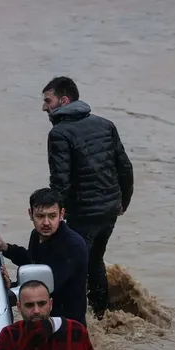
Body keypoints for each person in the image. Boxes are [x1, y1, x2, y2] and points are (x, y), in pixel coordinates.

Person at [41, 76, 134, 319]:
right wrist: (123, 201)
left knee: (74, 267)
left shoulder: (59, 134)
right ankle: (101, 315)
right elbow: (125, 167)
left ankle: (74, 322)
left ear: (63, 100)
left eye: (47, 101)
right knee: (95, 261)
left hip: (83, 214)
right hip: (110, 210)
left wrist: (53, 217)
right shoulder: (105, 124)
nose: (44, 107)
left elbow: (60, 181)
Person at [0, 187, 88, 325]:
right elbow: (32, 263)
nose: (46, 223)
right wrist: (6, 248)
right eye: (40, 216)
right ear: (30, 214)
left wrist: (11, 290)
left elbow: (44, 286)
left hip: (67, 323)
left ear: (61, 214)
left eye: (52, 216)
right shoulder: (36, 235)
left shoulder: (73, 246)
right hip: (41, 317)